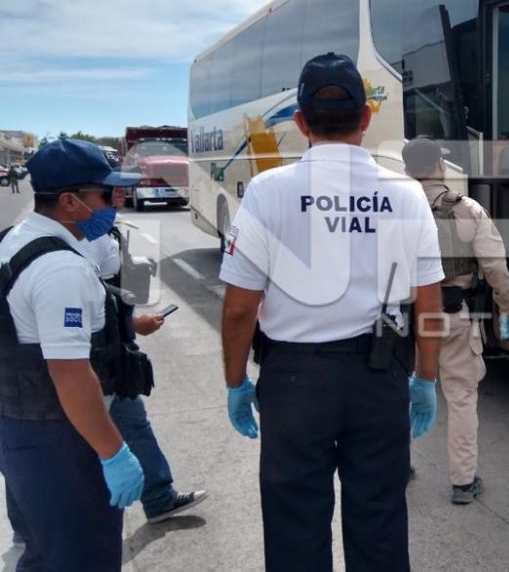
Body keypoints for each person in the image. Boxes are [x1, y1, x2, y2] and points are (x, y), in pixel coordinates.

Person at [219, 52, 445, 571]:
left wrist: (236, 382)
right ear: (366, 117)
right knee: (380, 520)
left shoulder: (267, 191)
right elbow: (429, 302)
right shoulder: (405, 194)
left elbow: (238, 310)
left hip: (293, 381)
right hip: (379, 378)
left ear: (301, 123)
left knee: (294, 524)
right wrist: (425, 380)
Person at [0, 138, 144, 570]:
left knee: (43, 553)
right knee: (83, 556)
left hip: (19, 429)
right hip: (62, 442)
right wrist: (113, 452)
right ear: (69, 201)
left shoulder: (12, 241)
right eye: (105, 194)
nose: (114, 203)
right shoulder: (61, 268)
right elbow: (71, 374)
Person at [401, 136, 509, 504]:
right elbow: (495, 268)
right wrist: (508, 309)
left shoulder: (392, 207)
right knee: (462, 397)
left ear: (406, 169)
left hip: (404, 317)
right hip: (452, 313)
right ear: (439, 165)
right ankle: (463, 482)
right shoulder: (467, 209)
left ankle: (398, 465)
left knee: (401, 393)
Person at [78, 230, 209, 523]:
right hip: (93, 360)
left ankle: (159, 498)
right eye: (108, 204)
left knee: (134, 422)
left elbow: (108, 300)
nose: (116, 207)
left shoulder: (104, 231)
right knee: (72, 444)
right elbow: (91, 305)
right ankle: (32, 531)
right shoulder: (77, 241)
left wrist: (134, 323)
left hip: (114, 353)